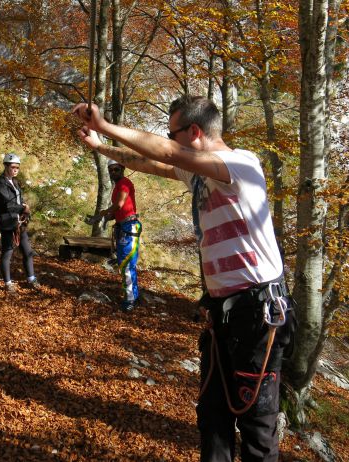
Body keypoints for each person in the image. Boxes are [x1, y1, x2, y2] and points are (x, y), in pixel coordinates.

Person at [73, 96, 295, 462]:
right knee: (212, 419)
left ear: (193, 132)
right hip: (222, 314)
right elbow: (150, 161)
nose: (168, 139)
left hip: (257, 314)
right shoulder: (200, 171)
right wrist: (102, 146)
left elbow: (169, 153)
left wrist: (106, 125)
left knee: (257, 426)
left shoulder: (239, 164)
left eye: (172, 132)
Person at [88, 159, 141, 312]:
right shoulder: (118, 185)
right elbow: (118, 211)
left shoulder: (124, 183)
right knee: (126, 263)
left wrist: (104, 213)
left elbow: (119, 204)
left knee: (126, 264)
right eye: (110, 170)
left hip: (129, 226)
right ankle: (133, 297)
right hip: (123, 226)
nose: (113, 173)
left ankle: (130, 300)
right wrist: (104, 217)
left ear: (122, 169)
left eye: (116, 169)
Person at [0, 152, 39, 293]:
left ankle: (31, 278)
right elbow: (7, 204)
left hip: (18, 222)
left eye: (17, 167)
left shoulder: (15, 182)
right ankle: (8, 283)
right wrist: (24, 207)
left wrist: (23, 208)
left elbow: (16, 201)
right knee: (7, 253)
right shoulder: (0, 183)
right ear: (5, 166)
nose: (15, 169)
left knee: (27, 251)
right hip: (7, 223)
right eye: (13, 167)